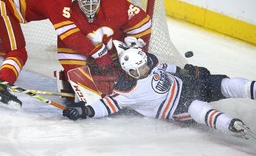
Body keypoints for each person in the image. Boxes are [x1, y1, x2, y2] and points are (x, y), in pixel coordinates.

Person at [0, 0, 127, 110]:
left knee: (8, 38)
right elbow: (69, 36)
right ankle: (0, 90)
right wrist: (97, 52)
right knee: (18, 52)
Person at [62, 46, 256, 137]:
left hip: (189, 85)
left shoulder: (149, 61)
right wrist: (85, 110)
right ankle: (233, 125)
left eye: (145, 65)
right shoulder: (126, 90)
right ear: (130, 72)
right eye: (140, 69)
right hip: (179, 108)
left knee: (226, 84)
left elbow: (167, 67)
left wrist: (188, 71)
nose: (146, 69)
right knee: (199, 109)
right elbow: (107, 105)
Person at [56, 0, 152, 94]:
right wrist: (79, 78)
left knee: (137, 60)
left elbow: (142, 22)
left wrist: (135, 45)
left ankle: (145, 85)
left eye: (93, 1)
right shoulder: (69, 14)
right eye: (86, 3)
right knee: (78, 74)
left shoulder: (115, 4)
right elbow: (68, 44)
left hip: (119, 56)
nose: (90, 6)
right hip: (90, 62)